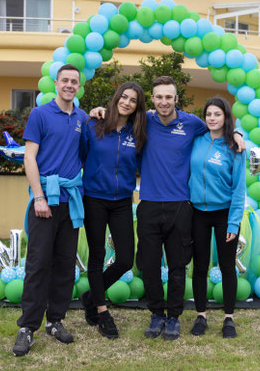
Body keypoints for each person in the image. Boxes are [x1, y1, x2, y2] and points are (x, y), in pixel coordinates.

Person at [90, 76, 244, 341]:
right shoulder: (143, 121)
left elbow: (219, 127)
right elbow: (118, 116)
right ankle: (156, 314)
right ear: (152, 99)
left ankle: (173, 317)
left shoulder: (192, 124)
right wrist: (98, 111)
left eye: (168, 97)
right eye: (158, 97)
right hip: (148, 204)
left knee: (177, 265)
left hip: (180, 206)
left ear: (176, 99)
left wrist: (239, 133)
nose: (163, 102)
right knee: (148, 265)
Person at [12, 64, 87, 357]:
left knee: (65, 264)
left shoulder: (82, 118)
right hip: (45, 200)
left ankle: (55, 321)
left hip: (71, 201)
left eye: (74, 82)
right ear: (56, 83)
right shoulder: (40, 114)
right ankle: (28, 327)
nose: (69, 85)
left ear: (78, 87)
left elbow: (83, 155)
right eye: (65, 80)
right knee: (38, 264)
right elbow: (29, 157)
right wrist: (39, 197)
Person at [79, 82, 146, 339]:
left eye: (133, 100)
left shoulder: (137, 132)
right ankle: (102, 312)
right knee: (96, 257)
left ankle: (90, 296)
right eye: (124, 97)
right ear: (116, 98)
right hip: (94, 198)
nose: (127, 102)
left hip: (121, 202)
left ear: (137, 107)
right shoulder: (93, 125)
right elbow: (81, 155)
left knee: (125, 259)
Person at [188, 96, 246, 339]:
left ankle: (228, 318)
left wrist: (233, 222)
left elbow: (239, 188)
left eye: (217, 114)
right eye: (209, 114)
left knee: (226, 266)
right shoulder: (196, 140)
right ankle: (201, 315)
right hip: (197, 213)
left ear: (226, 118)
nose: (212, 118)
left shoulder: (235, 146)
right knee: (199, 267)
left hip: (224, 214)